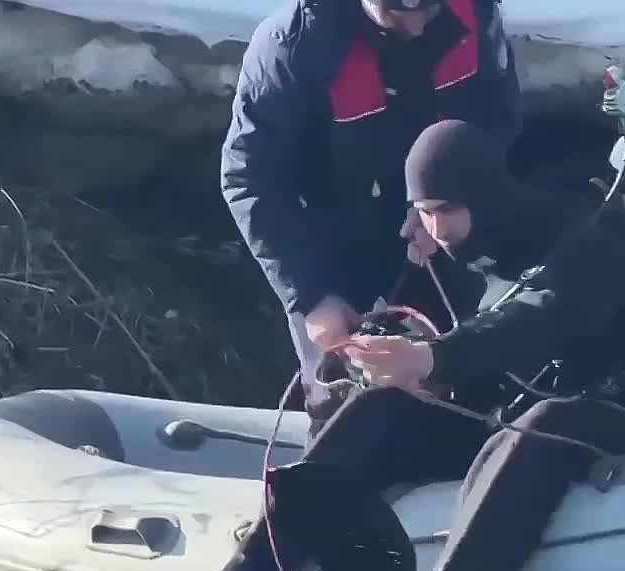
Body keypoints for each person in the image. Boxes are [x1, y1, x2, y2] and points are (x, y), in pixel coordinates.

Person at [17, 118, 625, 571]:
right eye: (422, 212)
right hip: (518, 397)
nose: (431, 227)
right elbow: (464, 337)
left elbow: (543, 314)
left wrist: (437, 358)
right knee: (387, 411)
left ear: (481, 196)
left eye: (442, 210)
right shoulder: (459, 248)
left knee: (541, 427)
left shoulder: (590, 232)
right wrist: (392, 352)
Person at [222, 0, 522, 434]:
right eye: (397, 10)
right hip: (333, 259)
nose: (416, 26)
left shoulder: (477, 12)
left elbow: (498, 121)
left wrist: (448, 201)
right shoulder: (293, 46)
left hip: (445, 241)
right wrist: (309, 296)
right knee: (343, 412)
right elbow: (251, 179)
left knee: (467, 386)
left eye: (429, 7)